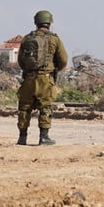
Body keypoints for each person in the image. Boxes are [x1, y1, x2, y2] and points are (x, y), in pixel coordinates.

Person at [16, 10, 69, 145]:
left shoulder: (27, 38)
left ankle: (22, 138)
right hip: (45, 78)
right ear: (49, 23)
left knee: (24, 107)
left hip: (28, 79)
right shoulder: (54, 39)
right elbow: (63, 60)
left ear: (36, 22)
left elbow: (21, 60)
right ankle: (44, 137)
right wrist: (54, 69)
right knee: (45, 107)